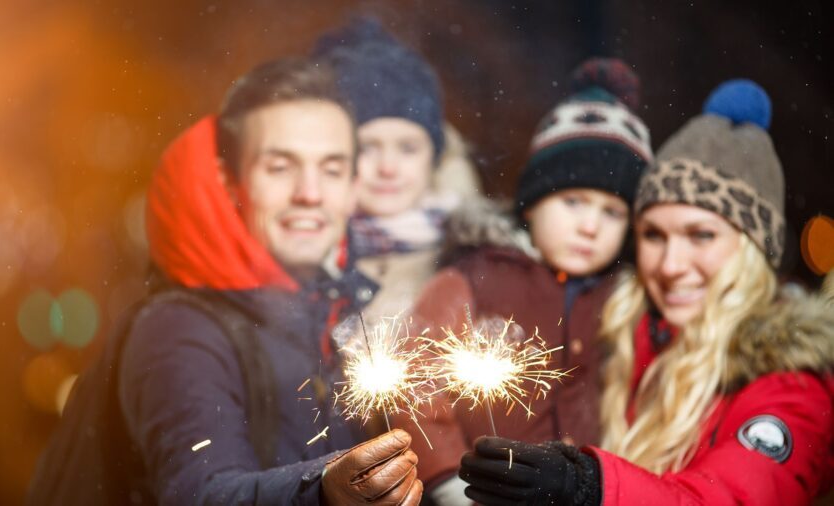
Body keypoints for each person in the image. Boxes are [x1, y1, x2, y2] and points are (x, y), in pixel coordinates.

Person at [28, 57, 423, 506]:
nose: (310, 193)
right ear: (231, 183)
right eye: (280, 166)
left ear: (354, 186)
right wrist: (322, 492)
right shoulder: (178, 328)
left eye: (331, 168)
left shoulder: (347, 319)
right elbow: (202, 494)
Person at [458, 80, 834, 505]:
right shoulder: (627, 337)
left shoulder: (791, 382)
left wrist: (589, 487)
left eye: (702, 235)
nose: (671, 265)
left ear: (751, 249)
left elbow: (734, 497)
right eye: (654, 235)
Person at [392, 58, 653, 505]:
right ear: (532, 203)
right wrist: (447, 481)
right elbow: (416, 382)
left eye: (611, 212)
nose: (591, 226)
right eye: (573, 201)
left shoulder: (622, 297)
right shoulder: (476, 276)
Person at [313, 17, 481, 324]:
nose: (388, 169)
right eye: (367, 148)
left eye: (408, 148)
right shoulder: (310, 258)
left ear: (435, 158)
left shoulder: (473, 258)